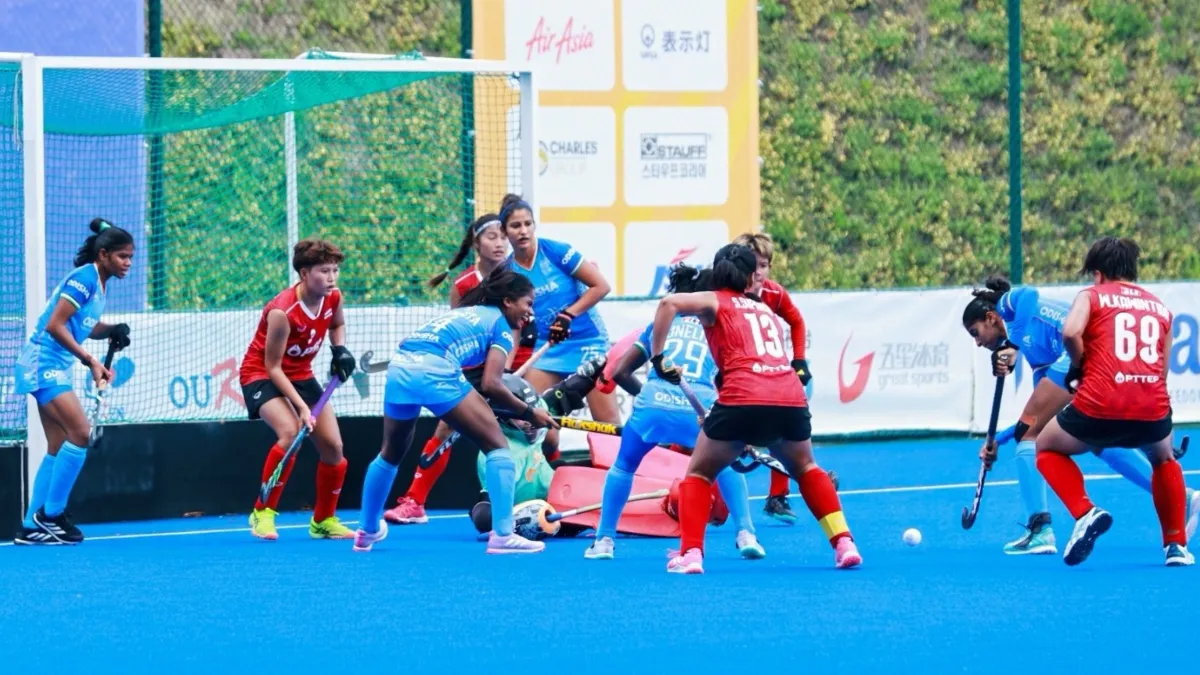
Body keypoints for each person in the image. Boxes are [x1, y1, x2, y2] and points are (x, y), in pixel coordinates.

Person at [649, 244, 861, 574]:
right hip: (789, 397)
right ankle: (844, 543)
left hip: (742, 398)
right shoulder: (765, 310)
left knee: (699, 474)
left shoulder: (714, 300)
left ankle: (691, 554)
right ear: (751, 277)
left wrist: (658, 358)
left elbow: (668, 303)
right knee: (807, 468)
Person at [964, 275, 1199, 554]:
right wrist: (998, 441)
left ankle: (1040, 530)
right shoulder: (1035, 352)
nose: (977, 343)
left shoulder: (1008, 307)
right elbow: (1039, 419)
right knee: (1098, 441)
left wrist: (1011, 347)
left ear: (991, 318)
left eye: (975, 333)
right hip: (1095, 362)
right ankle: (1184, 498)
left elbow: (1029, 294)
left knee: (1029, 437)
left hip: (1083, 353)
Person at [352, 266, 559, 554]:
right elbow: (492, 384)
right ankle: (502, 535)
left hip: (401, 367)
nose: (531, 312)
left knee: (390, 452)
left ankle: (367, 530)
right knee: (497, 445)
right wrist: (529, 412)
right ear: (508, 301)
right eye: (528, 303)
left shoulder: (465, 312)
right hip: (435, 369)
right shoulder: (501, 326)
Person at [585, 264, 763, 561]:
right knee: (725, 466)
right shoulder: (722, 325)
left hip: (651, 405)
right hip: (700, 408)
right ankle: (746, 533)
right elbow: (734, 380)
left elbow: (620, 372)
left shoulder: (662, 322)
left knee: (623, 466)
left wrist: (652, 399)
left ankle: (604, 540)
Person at [1033, 237, 1192, 566]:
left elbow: (1070, 332)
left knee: (1046, 446)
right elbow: (1161, 371)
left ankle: (1085, 512)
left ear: (1098, 273)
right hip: (1152, 404)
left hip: (1101, 402)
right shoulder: (1161, 308)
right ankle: (1176, 546)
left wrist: (1078, 366)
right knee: (1164, 459)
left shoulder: (1091, 296)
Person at [384, 213, 538, 525]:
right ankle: (415, 502)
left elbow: (512, 330)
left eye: (502, 237)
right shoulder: (463, 283)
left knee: (534, 428)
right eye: (491, 237)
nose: (499, 244)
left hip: (504, 364)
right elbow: (458, 327)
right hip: (466, 368)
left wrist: (505, 374)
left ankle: (536, 496)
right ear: (476, 244)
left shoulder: (517, 279)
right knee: (445, 430)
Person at [13, 218, 133, 545]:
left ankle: (31, 525)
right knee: (80, 432)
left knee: (57, 445)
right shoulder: (84, 279)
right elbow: (55, 325)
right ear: (104, 254)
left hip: (52, 366)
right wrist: (90, 360)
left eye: (130, 257)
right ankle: (51, 515)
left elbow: (84, 325)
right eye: (122, 256)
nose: (128, 263)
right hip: (42, 363)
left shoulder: (99, 283)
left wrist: (111, 330)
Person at [240, 239, 358, 541]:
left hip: (301, 375)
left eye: (335, 270)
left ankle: (323, 520)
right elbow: (273, 367)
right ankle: (263, 512)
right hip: (261, 374)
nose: (331, 278)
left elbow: (336, 326)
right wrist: (303, 407)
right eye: (324, 271)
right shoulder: (283, 311)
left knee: (334, 447)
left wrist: (340, 350)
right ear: (304, 274)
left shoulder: (333, 297)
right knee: (290, 432)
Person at [500, 193, 618, 423]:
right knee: (533, 422)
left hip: (588, 341)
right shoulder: (508, 272)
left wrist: (568, 315)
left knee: (607, 425)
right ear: (505, 232)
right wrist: (503, 371)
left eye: (528, 224)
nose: (523, 231)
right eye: (515, 226)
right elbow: (514, 326)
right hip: (549, 349)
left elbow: (601, 286)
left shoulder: (556, 251)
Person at [732, 232, 811, 524]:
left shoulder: (774, 293)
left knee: (784, 427)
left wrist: (799, 360)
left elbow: (797, 321)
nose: (758, 272)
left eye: (763, 265)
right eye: (752, 265)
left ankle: (778, 496)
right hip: (733, 373)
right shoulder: (725, 295)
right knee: (713, 437)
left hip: (769, 372)